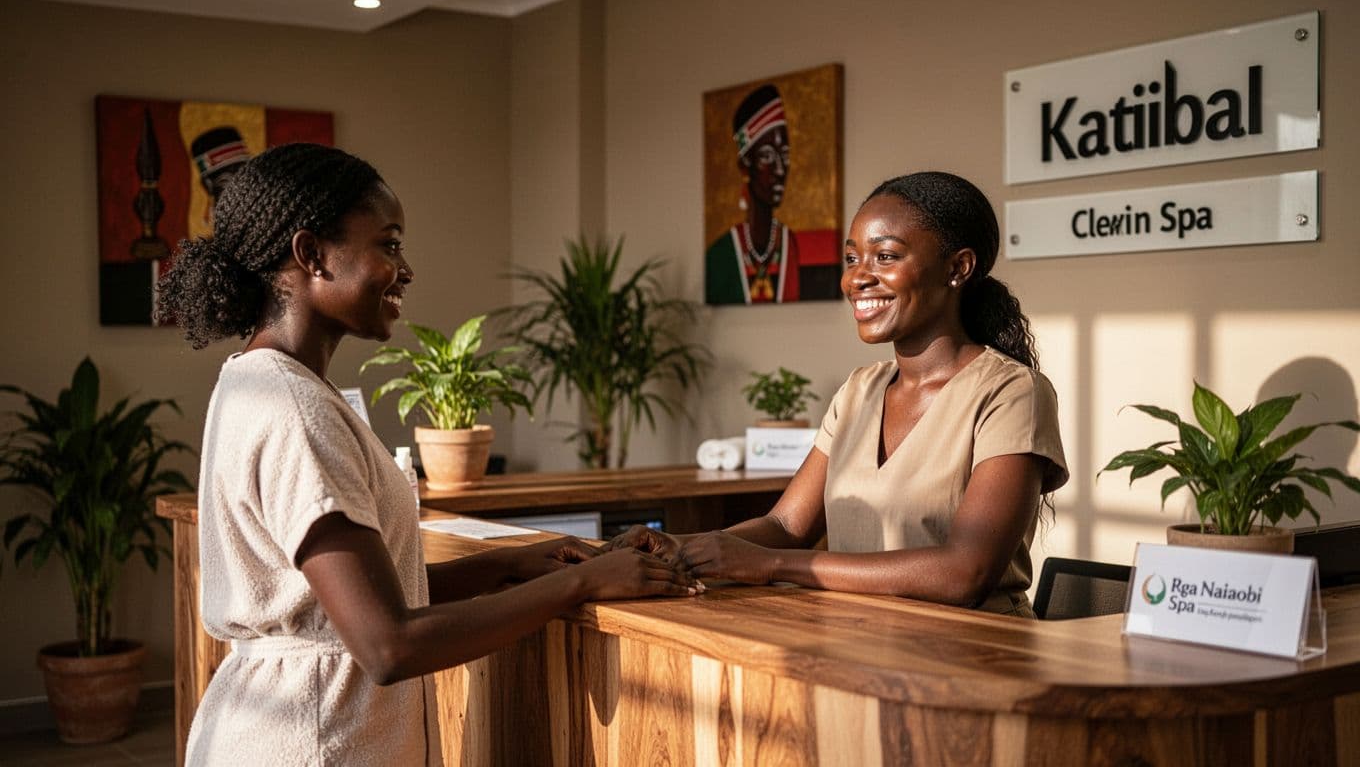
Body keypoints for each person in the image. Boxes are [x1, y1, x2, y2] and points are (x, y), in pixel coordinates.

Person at [156, 143, 693, 766]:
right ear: (312, 254)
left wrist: (511, 565)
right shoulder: (296, 410)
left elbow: (349, 604)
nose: (406, 269)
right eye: (388, 245)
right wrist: (583, 581)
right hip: (311, 742)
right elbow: (389, 644)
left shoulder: (259, 382)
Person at [617, 171, 1068, 617]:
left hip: (979, 653)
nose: (858, 278)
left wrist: (774, 565)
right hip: (856, 642)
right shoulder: (858, 390)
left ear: (957, 268)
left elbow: (965, 572)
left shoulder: (1012, 393)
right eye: (852, 258)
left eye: (885, 256)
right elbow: (785, 526)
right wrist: (681, 548)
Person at [704, 84, 803, 304]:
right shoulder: (720, 254)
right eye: (767, 156)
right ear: (745, 166)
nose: (780, 170)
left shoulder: (790, 243)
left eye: (785, 156)